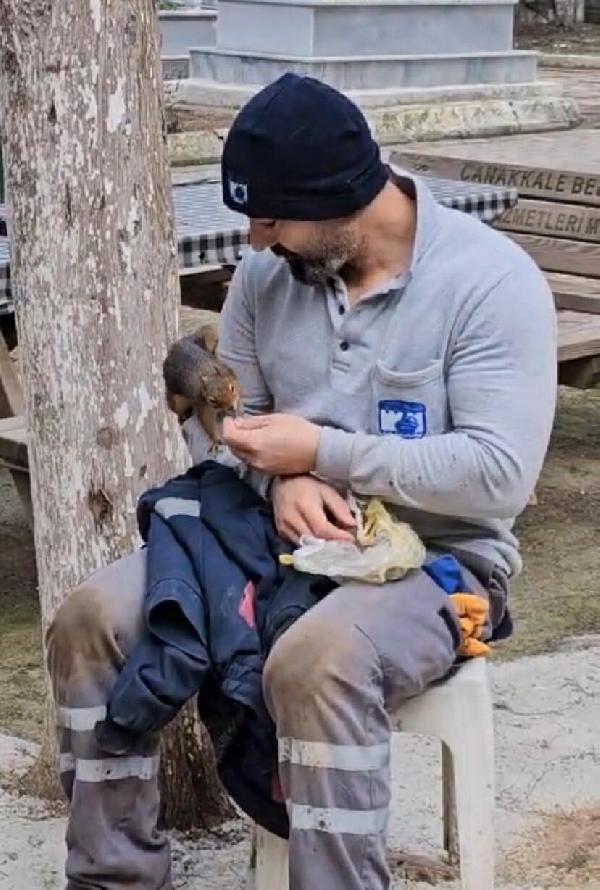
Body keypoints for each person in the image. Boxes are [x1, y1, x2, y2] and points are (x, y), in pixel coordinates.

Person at [47, 73, 557, 890]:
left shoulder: (491, 285)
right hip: (264, 533)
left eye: (272, 219)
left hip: (439, 559)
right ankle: (112, 879)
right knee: (90, 619)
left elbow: (496, 480)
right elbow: (236, 436)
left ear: (346, 197)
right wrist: (275, 476)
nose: (253, 242)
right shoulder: (265, 276)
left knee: (314, 660)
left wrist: (319, 451)